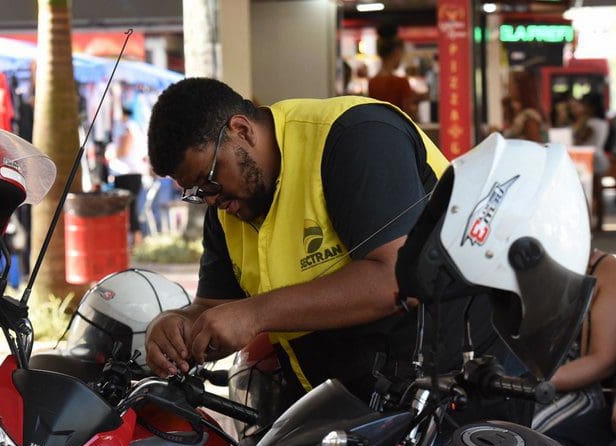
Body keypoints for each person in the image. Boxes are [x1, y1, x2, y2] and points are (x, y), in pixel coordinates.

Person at [143, 77, 456, 403]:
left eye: (208, 179)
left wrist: (255, 314)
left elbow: (397, 278)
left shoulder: (356, 137)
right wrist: (175, 325)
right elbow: (215, 308)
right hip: (341, 407)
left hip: (444, 387)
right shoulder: (226, 206)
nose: (209, 199)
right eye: (195, 193)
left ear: (242, 131)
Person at [531, 248, 616, 446]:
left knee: (528, 442)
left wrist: (531, 381)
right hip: (511, 378)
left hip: (569, 388)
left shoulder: (604, 268)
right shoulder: (516, 258)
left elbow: (603, 360)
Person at [109, 106, 148, 247]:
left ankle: (135, 241)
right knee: (131, 208)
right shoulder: (135, 127)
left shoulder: (127, 127)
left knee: (129, 209)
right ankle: (135, 241)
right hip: (131, 174)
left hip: (127, 174)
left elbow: (123, 150)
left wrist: (112, 153)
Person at [368, 31, 424, 120]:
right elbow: (410, 115)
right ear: (396, 52)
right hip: (398, 129)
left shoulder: (372, 82)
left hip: (379, 127)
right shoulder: (401, 82)